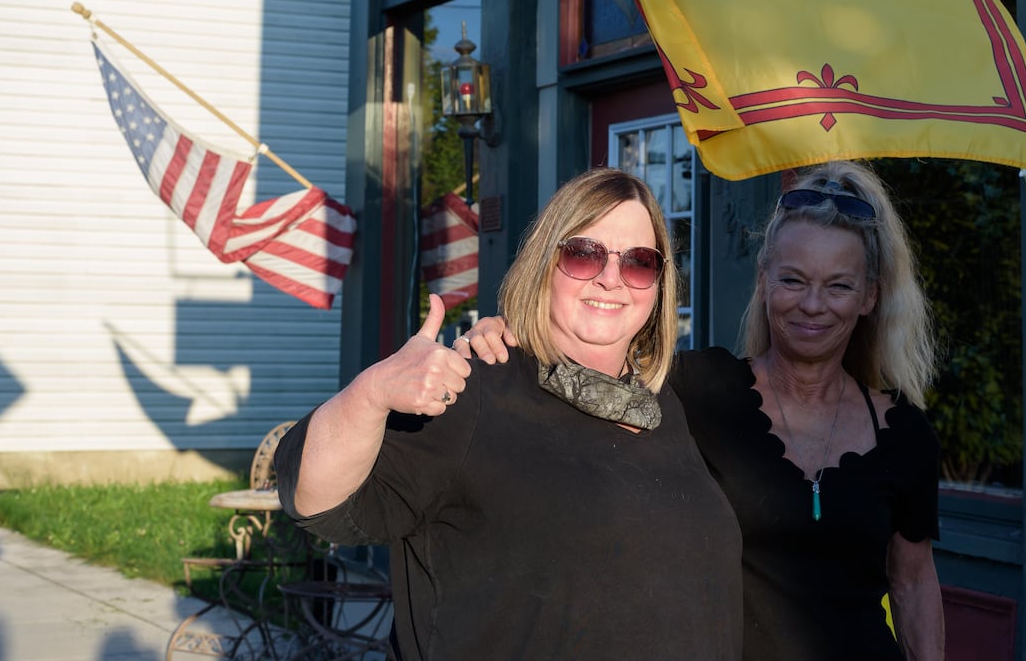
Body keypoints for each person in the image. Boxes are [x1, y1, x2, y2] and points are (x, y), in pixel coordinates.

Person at [461, 160, 944, 660]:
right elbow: (585, 374)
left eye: (839, 286)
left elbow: (913, 587)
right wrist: (510, 343)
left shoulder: (905, 435)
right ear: (764, 280)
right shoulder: (694, 391)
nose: (813, 305)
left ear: (869, 296)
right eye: (794, 280)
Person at [274, 167, 743, 661]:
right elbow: (315, 500)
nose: (611, 279)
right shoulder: (478, 388)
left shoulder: (671, 403)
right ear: (544, 262)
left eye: (639, 262)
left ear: (659, 283)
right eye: (584, 254)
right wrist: (371, 393)